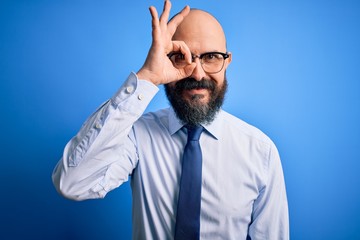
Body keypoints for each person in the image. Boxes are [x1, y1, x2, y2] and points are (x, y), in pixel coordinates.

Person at [52, 1, 289, 239]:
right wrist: (147, 76)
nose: (197, 73)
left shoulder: (261, 151)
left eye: (212, 57)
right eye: (180, 56)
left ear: (227, 62)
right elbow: (72, 183)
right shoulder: (136, 135)